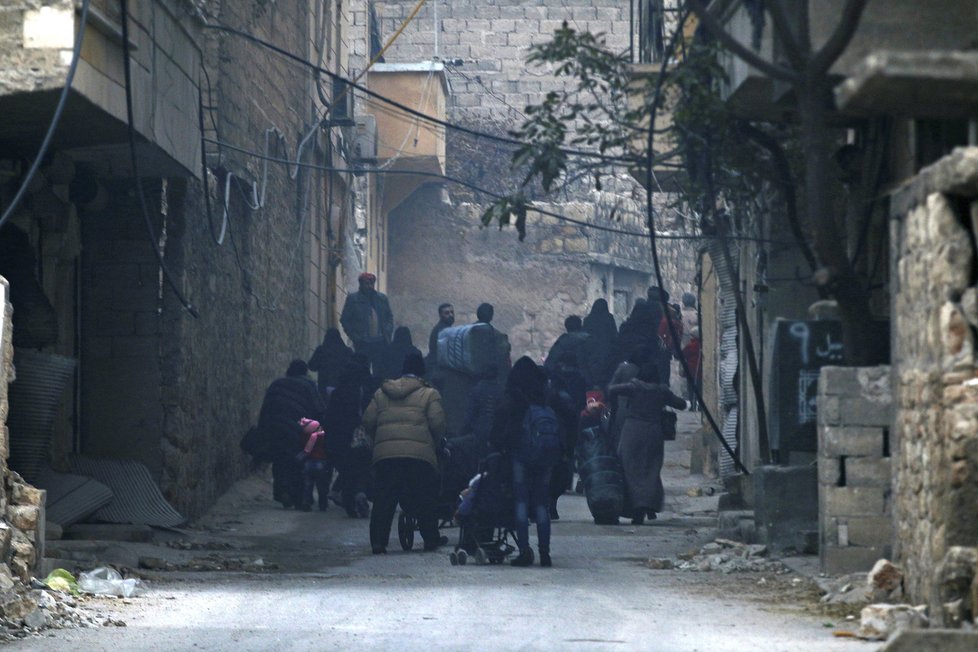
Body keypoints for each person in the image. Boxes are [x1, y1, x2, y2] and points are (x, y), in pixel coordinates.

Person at [362, 351, 447, 554]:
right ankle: (430, 538)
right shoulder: (429, 394)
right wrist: (433, 444)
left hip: (386, 456)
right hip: (419, 456)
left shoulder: (381, 393)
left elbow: (367, 420)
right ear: (421, 372)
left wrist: (380, 440)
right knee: (426, 495)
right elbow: (437, 424)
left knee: (384, 498)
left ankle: (378, 542)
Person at [490, 357, 559, 568]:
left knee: (521, 502)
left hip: (520, 455)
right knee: (541, 504)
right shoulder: (544, 395)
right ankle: (545, 552)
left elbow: (500, 430)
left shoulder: (514, 398)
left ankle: (524, 550)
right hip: (545, 455)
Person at [608, 361, 689, 525]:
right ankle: (647, 506)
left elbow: (612, 389)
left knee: (630, 469)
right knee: (650, 469)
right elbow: (680, 404)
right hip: (653, 432)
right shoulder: (662, 391)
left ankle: (633, 507)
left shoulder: (634, 387)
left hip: (632, 431)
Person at [256, 360, 326, 509]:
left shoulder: (277, 384)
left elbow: (266, 409)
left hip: (276, 428)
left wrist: (263, 431)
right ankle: (297, 496)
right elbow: (319, 409)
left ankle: (283, 492)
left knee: (280, 461)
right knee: (297, 463)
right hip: (297, 430)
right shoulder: (309, 385)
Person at [322, 356, 374, 518]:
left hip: (337, 438)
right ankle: (359, 492)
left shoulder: (337, 393)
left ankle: (347, 499)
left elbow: (329, 416)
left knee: (346, 470)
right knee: (361, 467)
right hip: (356, 437)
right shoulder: (361, 392)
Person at [340, 272, 394, 373]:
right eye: (367, 283)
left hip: (380, 341)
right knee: (363, 370)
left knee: (380, 371)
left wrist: (388, 330)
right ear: (361, 284)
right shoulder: (353, 299)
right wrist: (355, 336)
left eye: (371, 283)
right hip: (363, 342)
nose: (370, 286)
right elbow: (345, 319)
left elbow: (389, 317)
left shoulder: (381, 299)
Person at [544, 315, 597, 387]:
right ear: (580, 325)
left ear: (567, 327)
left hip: (565, 380)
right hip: (588, 380)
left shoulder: (563, 340)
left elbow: (550, 362)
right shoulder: (590, 339)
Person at [308, 327, 353, 400]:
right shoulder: (347, 352)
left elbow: (311, 366)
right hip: (342, 387)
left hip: (324, 386)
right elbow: (352, 369)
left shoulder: (321, 350)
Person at [582, 299, 618, 388]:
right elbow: (614, 335)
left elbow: (584, 336)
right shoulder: (609, 318)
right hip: (607, 352)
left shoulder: (588, 320)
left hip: (590, 352)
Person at [296, 418, 329, 512]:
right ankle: (323, 504)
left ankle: (306, 503)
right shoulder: (321, 437)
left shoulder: (304, 437)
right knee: (322, 486)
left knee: (307, 485)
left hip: (308, 463)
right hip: (320, 462)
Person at [426, 302, 455, 372]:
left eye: (452, 312)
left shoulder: (445, 328)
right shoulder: (443, 331)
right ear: (440, 315)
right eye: (447, 313)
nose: (451, 315)